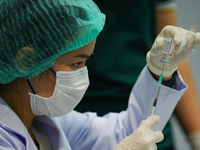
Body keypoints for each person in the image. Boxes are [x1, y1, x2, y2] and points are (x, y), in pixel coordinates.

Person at [0, 0, 199, 149]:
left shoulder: (45, 120)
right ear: (27, 60)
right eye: (76, 63)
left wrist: (159, 73)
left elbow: (123, 133)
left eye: (85, 62)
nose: (82, 76)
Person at [75, 0, 200, 149]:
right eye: (75, 63)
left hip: (149, 105)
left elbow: (127, 130)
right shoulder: (57, 125)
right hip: (83, 104)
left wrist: (197, 137)